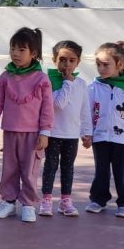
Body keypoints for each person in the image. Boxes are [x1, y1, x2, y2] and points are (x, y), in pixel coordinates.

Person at [0, 27, 54, 224]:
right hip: (10, 132)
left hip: (33, 135)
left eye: (21, 49)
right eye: (13, 49)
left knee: (30, 171)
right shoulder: (5, 77)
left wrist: (45, 132)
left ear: (34, 53)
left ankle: (28, 204)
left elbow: (47, 108)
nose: (15, 53)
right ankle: (8, 201)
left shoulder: (41, 79)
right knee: (9, 169)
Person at [85, 40, 124, 218]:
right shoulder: (93, 87)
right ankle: (98, 200)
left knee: (123, 172)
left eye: (106, 64)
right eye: (98, 64)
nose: (101, 69)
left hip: (123, 139)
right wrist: (86, 133)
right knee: (101, 171)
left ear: (119, 64)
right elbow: (87, 112)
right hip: (100, 137)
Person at [38, 40, 92, 217]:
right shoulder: (50, 81)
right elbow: (58, 104)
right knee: (51, 166)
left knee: (68, 168)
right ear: (54, 60)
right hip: (53, 133)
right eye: (62, 60)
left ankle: (65, 200)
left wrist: (87, 132)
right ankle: (46, 200)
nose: (67, 64)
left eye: (71, 60)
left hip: (71, 135)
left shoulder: (81, 84)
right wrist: (67, 83)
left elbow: (85, 110)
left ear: (78, 62)